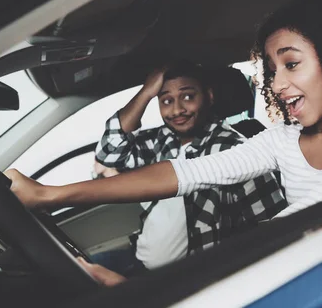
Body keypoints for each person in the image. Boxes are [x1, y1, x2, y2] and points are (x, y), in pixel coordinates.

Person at [5, 0, 322, 285]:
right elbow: (188, 172)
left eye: (291, 64)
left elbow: (311, 220)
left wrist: (145, 295)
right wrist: (50, 194)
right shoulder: (285, 139)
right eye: (271, 71)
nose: (278, 83)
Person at [79, 61, 286, 276]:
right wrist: (146, 93)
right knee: (72, 274)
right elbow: (109, 154)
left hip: (186, 278)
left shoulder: (233, 150)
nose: (177, 109)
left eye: (188, 97)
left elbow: (271, 226)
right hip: (138, 259)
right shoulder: (162, 139)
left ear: (209, 96)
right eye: (166, 100)